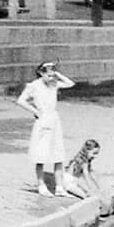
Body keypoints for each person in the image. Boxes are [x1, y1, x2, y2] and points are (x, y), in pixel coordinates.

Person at [17, 61, 75, 196]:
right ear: (41, 73)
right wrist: (35, 111)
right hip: (43, 120)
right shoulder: (34, 86)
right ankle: (41, 185)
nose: (51, 77)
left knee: (58, 154)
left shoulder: (54, 84)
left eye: (52, 74)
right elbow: (21, 100)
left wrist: (58, 75)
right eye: (48, 74)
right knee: (41, 155)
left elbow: (70, 84)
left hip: (54, 120)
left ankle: (59, 187)